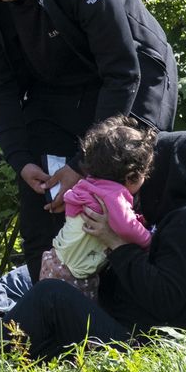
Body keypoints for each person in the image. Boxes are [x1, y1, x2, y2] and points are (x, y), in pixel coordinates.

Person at [0, 0, 179, 283]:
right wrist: (20, 159)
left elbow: (122, 73)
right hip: (55, 84)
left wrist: (82, 165)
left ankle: (140, 301)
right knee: (43, 202)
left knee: (119, 189)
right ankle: (53, 306)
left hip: (135, 76)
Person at [0, 131, 186, 361]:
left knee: (50, 294)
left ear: (176, 172)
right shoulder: (169, 214)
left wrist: (115, 242)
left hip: (147, 348)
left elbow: (164, 299)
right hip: (129, 330)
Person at [39, 116, 156, 298]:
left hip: (55, 261)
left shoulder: (88, 184)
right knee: (80, 314)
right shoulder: (114, 196)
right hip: (74, 276)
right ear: (132, 175)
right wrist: (149, 240)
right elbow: (127, 228)